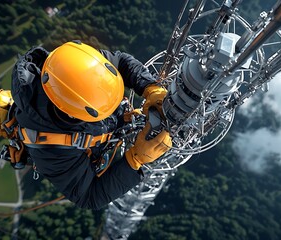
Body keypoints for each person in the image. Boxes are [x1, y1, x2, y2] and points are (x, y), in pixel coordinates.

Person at [11, 40, 172, 210]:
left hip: (98, 125)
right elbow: (89, 197)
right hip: (83, 141)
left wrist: (149, 87)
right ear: (72, 114)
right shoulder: (52, 152)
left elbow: (119, 62)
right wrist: (133, 161)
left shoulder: (71, 64)